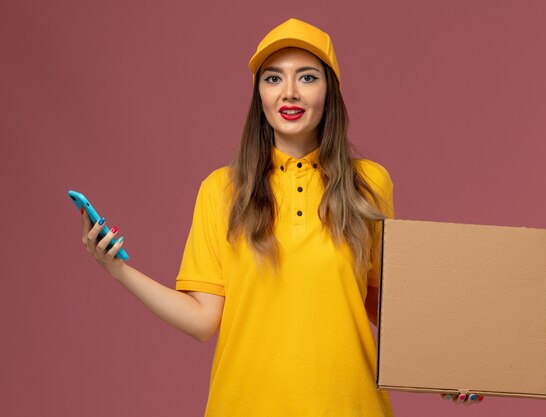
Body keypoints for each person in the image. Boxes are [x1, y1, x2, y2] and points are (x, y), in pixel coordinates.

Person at [80, 18, 478, 416]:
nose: (289, 92)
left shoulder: (370, 183)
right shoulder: (221, 190)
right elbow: (202, 320)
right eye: (273, 79)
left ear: (329, 92)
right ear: (259, 95)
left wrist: (447, 370)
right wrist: (117, 270)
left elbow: (387, 311)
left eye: (307, 77)